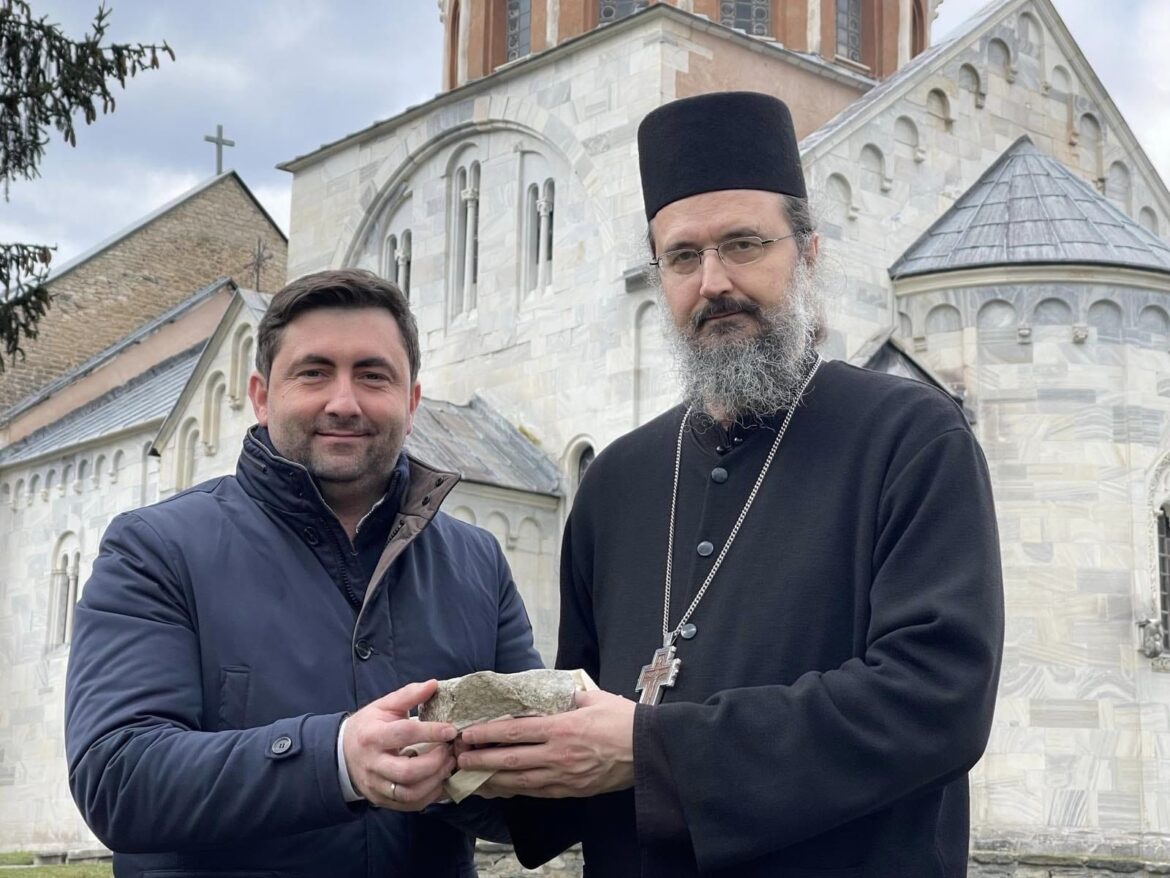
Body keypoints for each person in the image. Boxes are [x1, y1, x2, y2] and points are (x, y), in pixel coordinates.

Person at [457, 91, 1005, 877]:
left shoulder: (912, 437)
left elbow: (935, 700)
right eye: (682, 257)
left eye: (744, 244)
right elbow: (583, 733)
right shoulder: (614, 480)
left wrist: (652, 749)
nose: (713, 281)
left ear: (808, 254)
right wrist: (459, 759)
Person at [65, 269, 542, 877]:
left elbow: (527, 795)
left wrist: (473, 771)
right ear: (262, 396)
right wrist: (336, 760)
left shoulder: (476, 563)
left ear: (412, 401)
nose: (344, 403)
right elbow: (118, 778)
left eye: (373, 375)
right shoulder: (156, 550)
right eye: (314, 372)